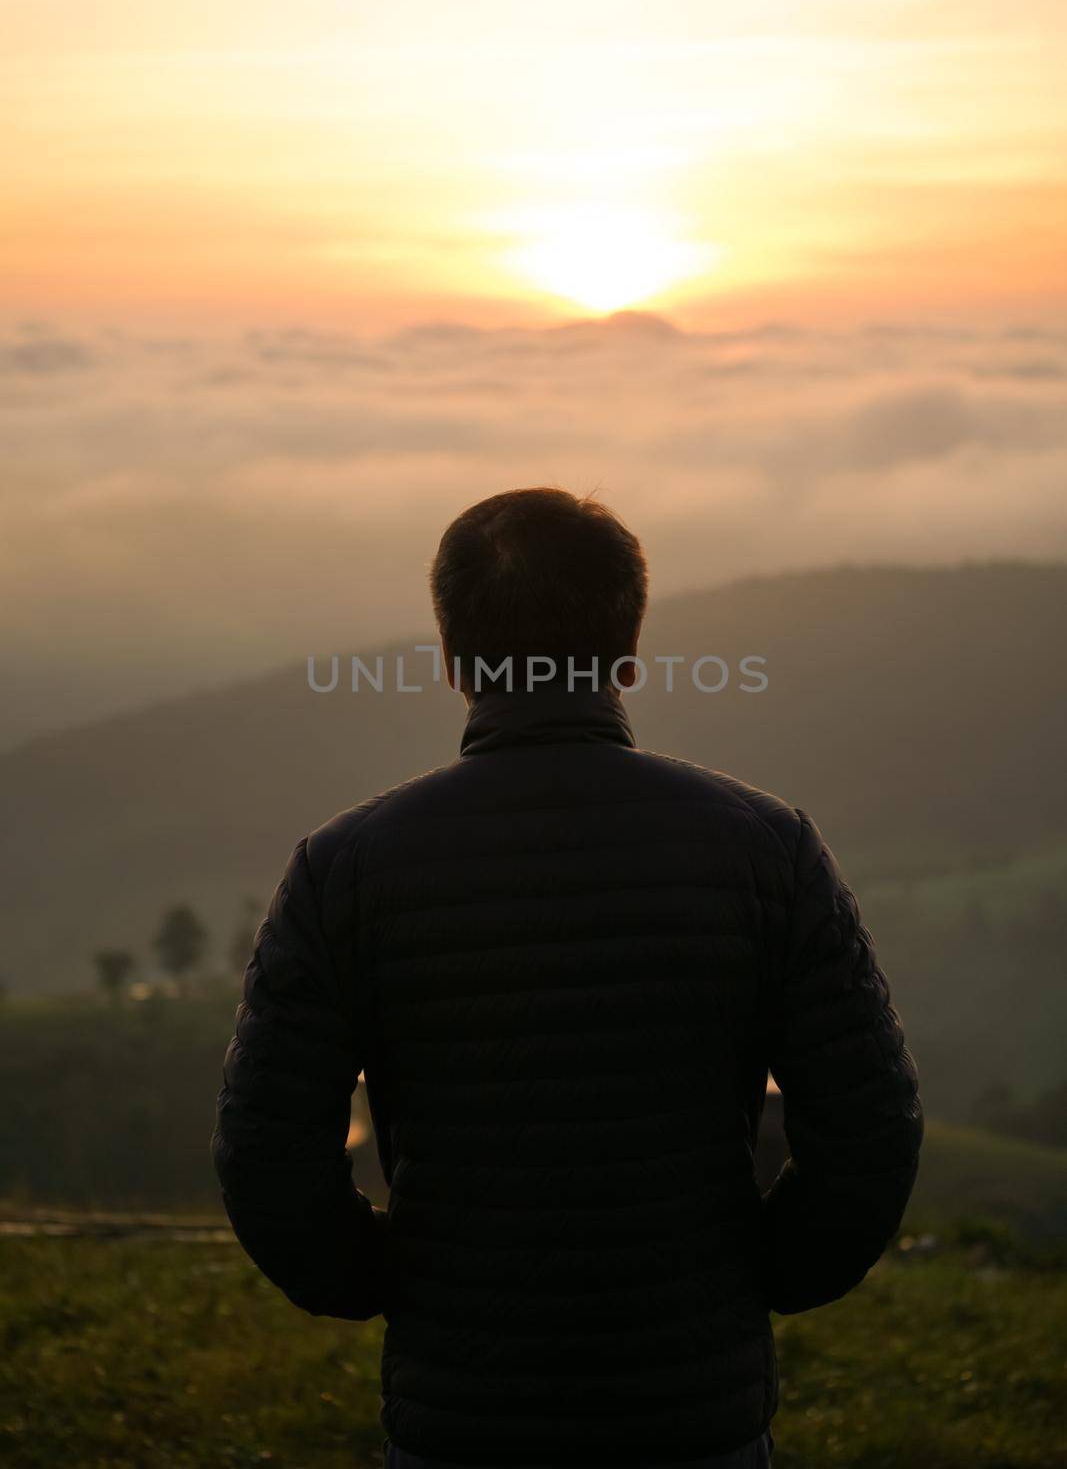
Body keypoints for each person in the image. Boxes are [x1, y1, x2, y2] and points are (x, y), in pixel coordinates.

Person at [212, 487, 923, 1468]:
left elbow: (265, 1152)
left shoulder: (343, 870)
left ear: (453, 659)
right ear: (626, 652)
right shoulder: (765, 849)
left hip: (459, 1420)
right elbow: (870, 1131)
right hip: (695, 1420)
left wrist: (384, 1276)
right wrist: (751, 1275)